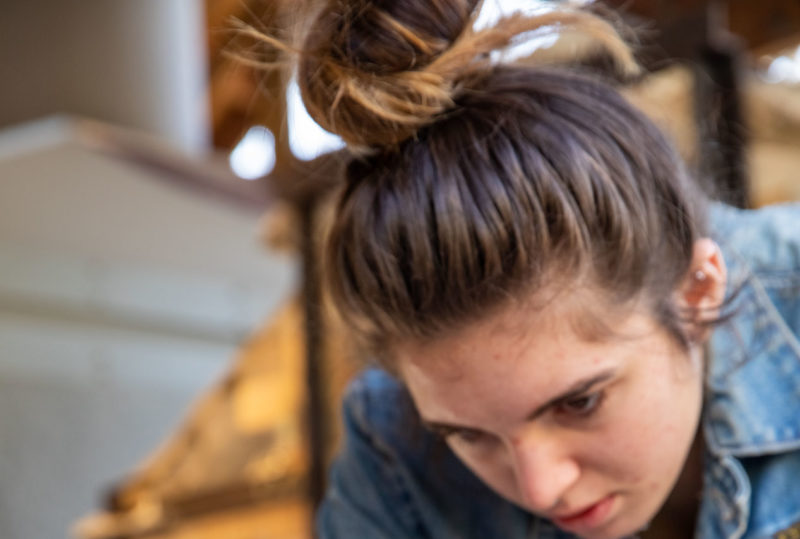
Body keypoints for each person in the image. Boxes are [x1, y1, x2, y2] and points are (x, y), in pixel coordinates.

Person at [283, 0, 800, 537]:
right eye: (468, 436)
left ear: (697, 292)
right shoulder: (394, 443)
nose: (541, 490)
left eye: (580, 402)